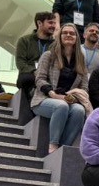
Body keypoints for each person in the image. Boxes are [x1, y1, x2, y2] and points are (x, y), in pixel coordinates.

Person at [30, 23, 90, 153]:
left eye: (72, 33)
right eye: (65, 33)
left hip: (70, 100)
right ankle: (53, 144)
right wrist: (53, 95)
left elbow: (84, 87)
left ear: (77, 38)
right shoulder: (48, 55)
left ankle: (63, 148)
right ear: (60, 36)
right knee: (61, 106)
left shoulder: (81, 60)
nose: (68, 35)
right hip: (44, 99)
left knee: (80, 110)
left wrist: (73, 97)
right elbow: (39, 79)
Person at [15, 11, 56, 98]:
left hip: (48, 75)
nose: (53, 26)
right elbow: (20, 63)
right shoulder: (24, 40)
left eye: (54, 23)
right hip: (30, 75)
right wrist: (35, 71)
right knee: (26, 79)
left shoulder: (56, 44)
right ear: (39, 23)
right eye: (50, 22)